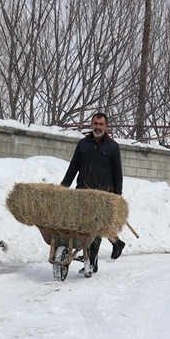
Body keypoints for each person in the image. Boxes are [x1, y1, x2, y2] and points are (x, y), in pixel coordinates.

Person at [61, 112, 125, 276]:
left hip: (101, 195)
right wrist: (63, 187)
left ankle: (92, 263)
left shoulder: (112, 147)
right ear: (91, 124)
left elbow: (117, 174)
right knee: (83, 225)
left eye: (101, 124)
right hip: (82, 192)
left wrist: (117, 197)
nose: (98, 127)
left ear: (106, 126)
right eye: (95, 124)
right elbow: (73, 167)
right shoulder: (83, 144)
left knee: (95, 228)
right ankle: (115, 243)